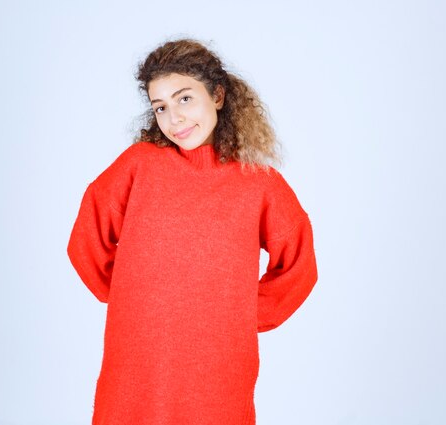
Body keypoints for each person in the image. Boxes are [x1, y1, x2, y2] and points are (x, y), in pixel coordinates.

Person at [67, 38, 318, 425]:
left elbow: (298, 265)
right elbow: (88, 235)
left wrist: (240, 313)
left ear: (217, 95)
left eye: (185, 99)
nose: (175, 119)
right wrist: (129, 296)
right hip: (137, 359)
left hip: (219, 366)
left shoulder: (259, 183)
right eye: (161, 107)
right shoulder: (139, 165)